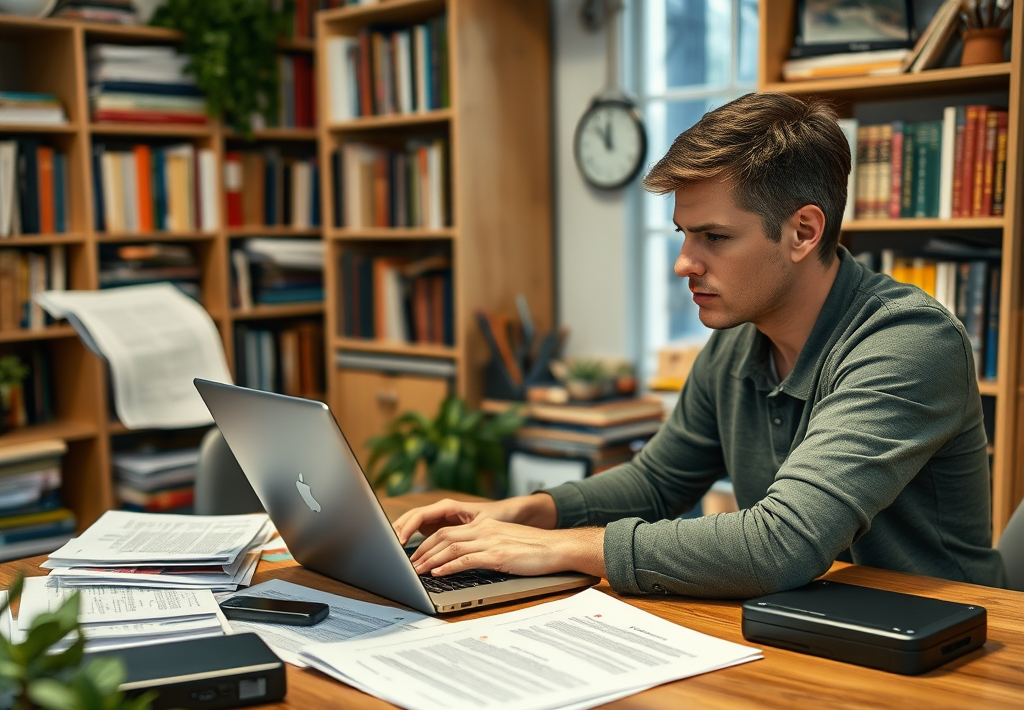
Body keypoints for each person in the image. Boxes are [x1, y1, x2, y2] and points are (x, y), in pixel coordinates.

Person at [392, 92, 1007, 598]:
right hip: (805, 626)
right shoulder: (741, 340)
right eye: (685, 234)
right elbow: (658, 483)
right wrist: (523, 514)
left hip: (933, 652)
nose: (685, 263)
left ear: (803, 230)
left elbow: (781, 543)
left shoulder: (907, 342)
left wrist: (558, 548)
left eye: (714, 236)